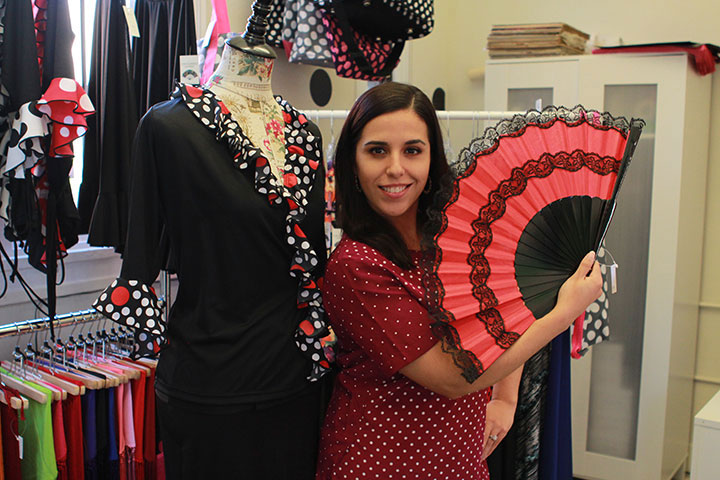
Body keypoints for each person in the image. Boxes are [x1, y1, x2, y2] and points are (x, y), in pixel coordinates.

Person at [315, 82, 602, 479]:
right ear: (351, 161)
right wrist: (563, 312)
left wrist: (505, 397)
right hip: (380, 461)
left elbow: (507, 310)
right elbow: (452, 377)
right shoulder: (357, 266)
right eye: (377, 150)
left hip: (460, 458)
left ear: (433, 158)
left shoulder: (461, 233)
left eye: (412, 150)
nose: (395, 168)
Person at [92, 32, 333, 479]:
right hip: (209, 382)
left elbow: (312, 260)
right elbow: (140, 258)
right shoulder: (167, 126)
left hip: (296, 379)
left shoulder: (306, 135)